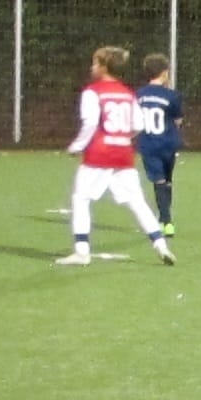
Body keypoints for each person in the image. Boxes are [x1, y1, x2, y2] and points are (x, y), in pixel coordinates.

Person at [56, 46, 176, 267]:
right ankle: (161, 246)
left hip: (99, 154)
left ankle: (82, 251)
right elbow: (138, 125)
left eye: (95, 63)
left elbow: (90, 123)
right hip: (123, 154)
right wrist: (121, 137)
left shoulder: (92, 92)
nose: (92, 67)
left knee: (81, 198)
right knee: (137, 201)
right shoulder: (127, 93)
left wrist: (77, 146)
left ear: (104, 67)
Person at [135, 53, 184, 236]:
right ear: (164, 73)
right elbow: (178, 120)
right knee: (167, 180)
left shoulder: (139, 95)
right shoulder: (172, 95)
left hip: (149, 144)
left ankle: (166, 220)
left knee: (159, 180)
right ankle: (165, 219)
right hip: (169, 143)